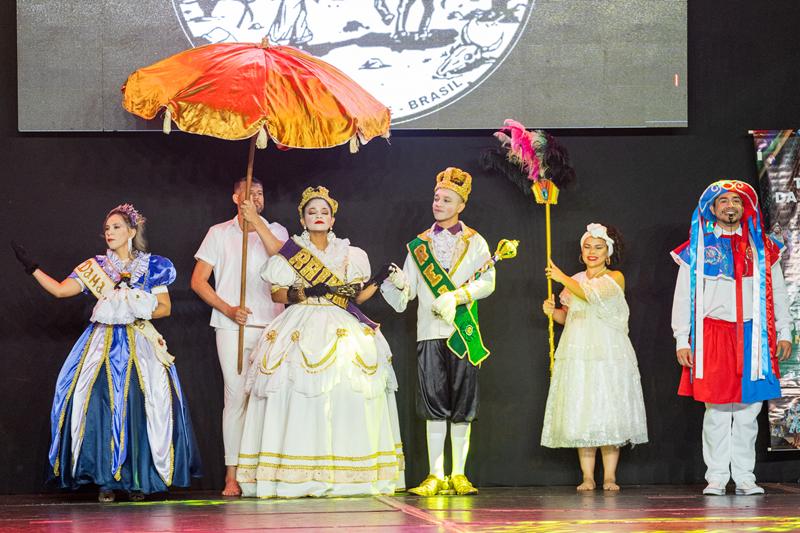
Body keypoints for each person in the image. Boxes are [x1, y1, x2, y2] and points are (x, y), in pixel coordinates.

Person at [11, 204, 201, 502]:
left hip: (140, 342)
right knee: (99, 405)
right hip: (102, 344)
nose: (110, 233)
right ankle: (105, 480)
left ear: (132, 231)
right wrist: (32, 268)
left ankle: (138, 480)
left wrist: (134, 304)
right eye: (107, 228)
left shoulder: (153, 265)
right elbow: (61, 291)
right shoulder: (95, 267)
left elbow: (165, 308)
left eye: (116, 227)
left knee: (142, 405)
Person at [235, 186, 404, 498]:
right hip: (300, 321)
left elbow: (357, 298)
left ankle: (347, 473)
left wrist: (378, 279)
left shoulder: (350, 254)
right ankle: (297, 472)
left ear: (333, 218)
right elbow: (277, 294)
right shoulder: (292, 252)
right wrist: (304, 292)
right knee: (295, 390)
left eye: (324, 212)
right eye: (311, 212)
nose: (318, 216)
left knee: (346, 389)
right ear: (302, 219)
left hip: (341, 323)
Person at [671, 180, 793, 495]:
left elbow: (778, 292)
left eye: (736, 201)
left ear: (745, 207)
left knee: (749, 410)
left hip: (753, 334)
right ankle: (716, 477)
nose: (730, 206)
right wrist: (682, 339)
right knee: (716, 410)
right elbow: (683, 296)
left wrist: (784, 330)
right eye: (723, 200)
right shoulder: (698, 247)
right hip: (713, 334)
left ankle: (744, 477)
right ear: (713, 208)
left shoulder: (763, 247)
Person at [381, 167, 495, 496]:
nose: (439, 204)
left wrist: (457, 297)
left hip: (463, 332)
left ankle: (459, 473)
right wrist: (399, 283)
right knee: (433, 404)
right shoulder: (419, 246)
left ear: (461, 205)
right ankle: (435, 474)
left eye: (447, 199)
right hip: (429, 332)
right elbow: (408, 293)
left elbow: (488, 282)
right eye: (436, 198)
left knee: (462, 406)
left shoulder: (476, 241)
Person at [190, 178, 288, 496]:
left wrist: (256, 222)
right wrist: (228, 309)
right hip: (232, 325)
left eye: (260, 193)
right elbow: (198, 281)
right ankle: (231, 474)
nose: (256, 198)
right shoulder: (218, 233)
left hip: (272, 325)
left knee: (268, 397)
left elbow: (283, 257)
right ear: (236, 198)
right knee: (235, 398)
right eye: (249, 193)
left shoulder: (276, 230)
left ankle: (265, 471)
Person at [540, 223, 648, 491]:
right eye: (587, 247)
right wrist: (552, 312)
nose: (592, 252)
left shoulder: (615, 277)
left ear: (607, 253)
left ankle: (610, 476)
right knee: (583, 409)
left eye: (598, 247)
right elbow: (568, 316)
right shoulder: (575, 279)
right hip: (578, 349)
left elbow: (592, 295)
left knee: (608, 407)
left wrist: (561, 277)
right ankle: (587, 476)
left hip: (607, 351)